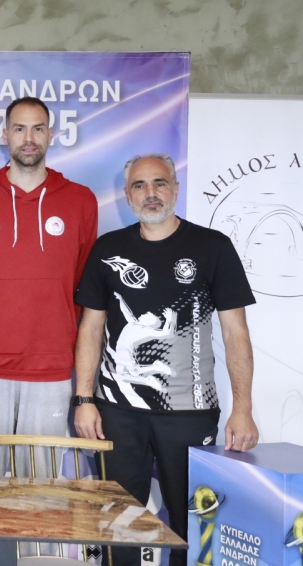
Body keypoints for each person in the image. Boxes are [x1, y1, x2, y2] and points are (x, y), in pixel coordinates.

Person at [73, 153, 259, 566]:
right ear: (127, 196)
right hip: (118, 411)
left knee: (190, 522)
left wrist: (243, 408)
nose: (150, 193)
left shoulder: (212, 247)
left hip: (190, 413)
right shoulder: (108, 249)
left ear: (175, 188)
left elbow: (236, 333)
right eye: (139, 186)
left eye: (159, 183)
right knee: (118, 521)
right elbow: (90, 328)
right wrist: (84, 399)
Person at [0, 96, 98, 470]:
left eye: (37, 129)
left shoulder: (81, 200)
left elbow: (83, 283)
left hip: (50, 366)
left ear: (51, 135)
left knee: (40, 487)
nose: (28, 138)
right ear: (5, 136)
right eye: (19, 129)